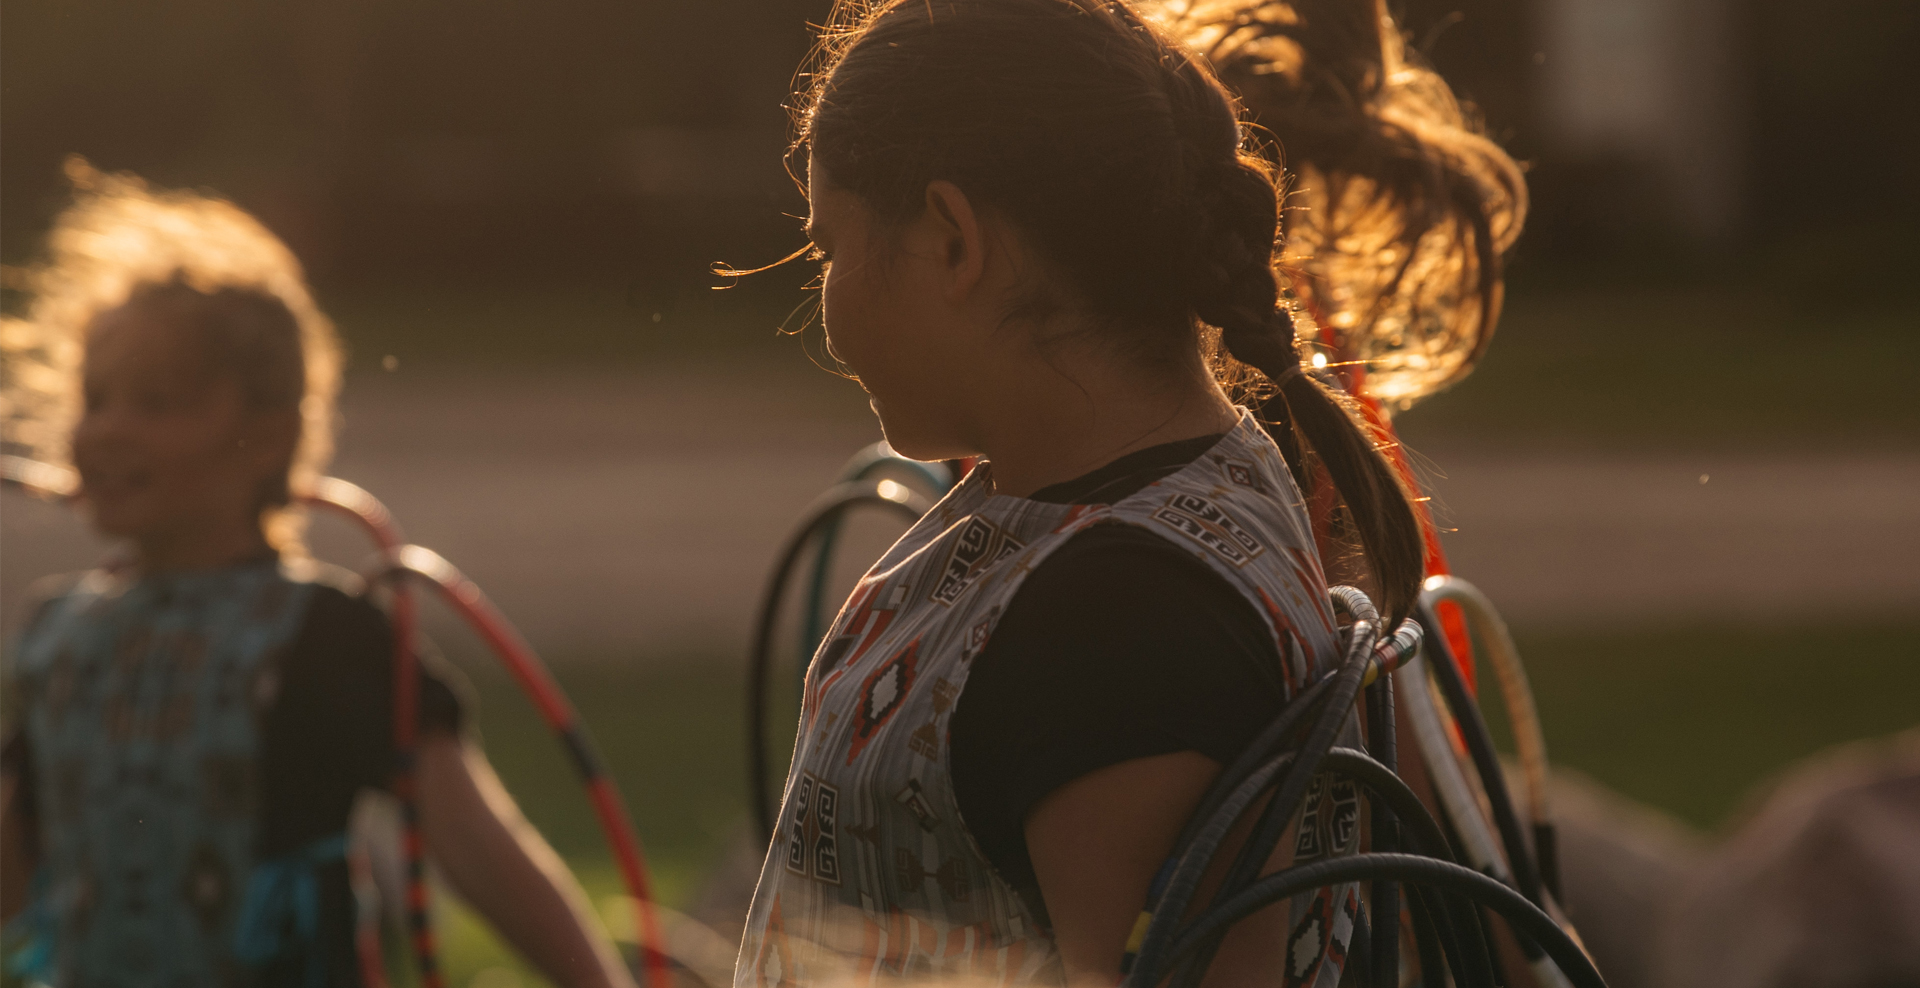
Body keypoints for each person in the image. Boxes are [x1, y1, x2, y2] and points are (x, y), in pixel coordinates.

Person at [727, 1, 1461, 985]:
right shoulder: (1191, 498)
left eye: (829, 250)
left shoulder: (1117, 622)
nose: (826, 309)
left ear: (953, 240)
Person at [0, 159, 634, 988]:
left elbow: (479, 846)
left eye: (155, 402)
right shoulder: (58, 636)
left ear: (265, 438)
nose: (108, 429)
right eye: (96, 398)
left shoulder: (324, 636)